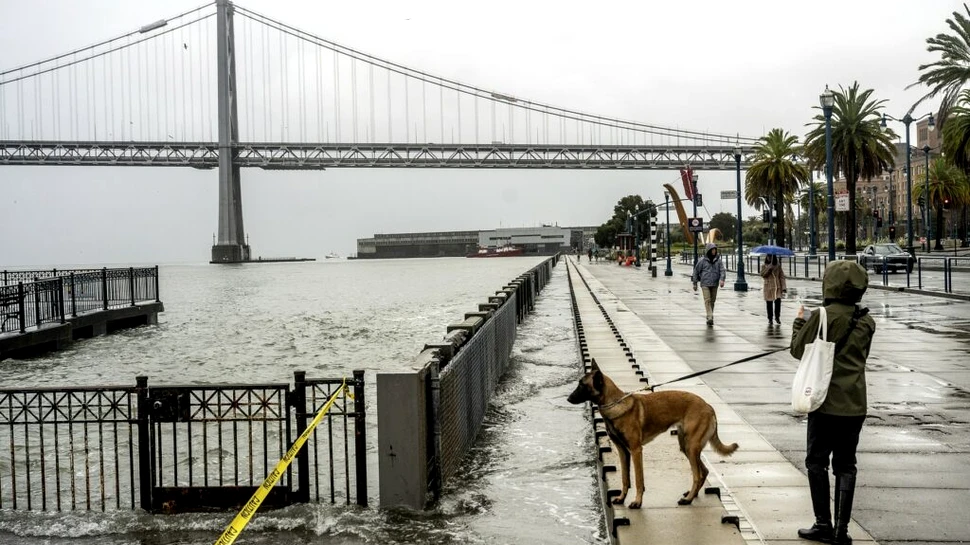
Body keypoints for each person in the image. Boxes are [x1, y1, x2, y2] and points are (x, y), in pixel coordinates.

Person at [790, 260, 875, 545]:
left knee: (816, 462)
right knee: (846, 465)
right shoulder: (867, 321)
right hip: (855, 403)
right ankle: (842, 530)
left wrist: (799, 322)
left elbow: (797, 350)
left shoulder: (822, 315)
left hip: (824, 402)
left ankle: (822, 524)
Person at [691, 243, 726, 326]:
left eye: (715, 250)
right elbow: (696, 271)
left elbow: (722, 270)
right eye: (712, 250)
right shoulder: (702, 261)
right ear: (709, 251)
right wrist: (695, 283)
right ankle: (710, 317)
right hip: (705, 284)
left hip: (714, 284)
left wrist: (722, 280)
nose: (714, 251)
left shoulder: (718, 261)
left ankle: (709, 315)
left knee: (712, 301)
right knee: (707, 300)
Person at [760, 255, 787, 325]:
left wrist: (783, 287)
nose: (769, 258)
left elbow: (782, 277)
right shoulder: (764, 266)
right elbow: (763, 275)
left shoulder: (778, 266)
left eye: (770, 256)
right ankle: (770, 318)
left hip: (777, 287)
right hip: (768, 287)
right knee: (769, 304)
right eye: (768, 256)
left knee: (778, 302)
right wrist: (769, 268)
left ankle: (777, 317)